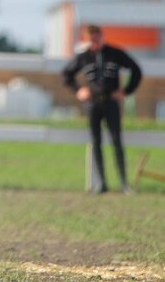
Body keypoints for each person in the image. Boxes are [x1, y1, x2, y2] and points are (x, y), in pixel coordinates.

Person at [61, 23, 143, 193]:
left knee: (116, 141)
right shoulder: (83, 57)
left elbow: (136, 70)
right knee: (96, 142)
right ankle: (102, 183)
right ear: (87, 40)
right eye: (91, 41)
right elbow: (66, 74)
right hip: (93, 104)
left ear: (101, 37)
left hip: (111, 102)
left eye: (97, 39)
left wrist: (126, 91)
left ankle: (123, 183)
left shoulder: (115, 53)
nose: (95, 43)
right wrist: (78, 90)